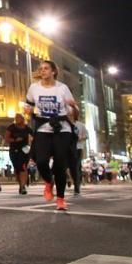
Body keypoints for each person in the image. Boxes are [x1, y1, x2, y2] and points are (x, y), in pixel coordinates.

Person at [25, 60, 78, 211]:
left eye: (46, 68)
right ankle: (49, 181)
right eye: (41, 69)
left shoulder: (62, 88)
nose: (43, 71)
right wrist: (28, 111)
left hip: (62, 129)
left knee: (60, 165)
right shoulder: (34, 88)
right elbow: (28, 104)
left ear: (54, 71)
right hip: (43, 127)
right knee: (40, 161)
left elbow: (74, 113)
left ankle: (60, 198)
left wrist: (73, 108)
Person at [5, 114, 32, 195]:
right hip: (14, 150)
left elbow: (34, 135)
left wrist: (32, 143)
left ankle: (23, 186)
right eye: (16, 118)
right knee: (17, 169)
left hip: (24, 150)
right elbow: (7, 139)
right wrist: (15, 140)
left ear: (23, 119)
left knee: (23, 167)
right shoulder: (11, 127)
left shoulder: (27, 128)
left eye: (19, 118)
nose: (17, 119)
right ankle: (21, 185)